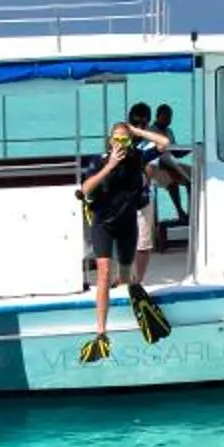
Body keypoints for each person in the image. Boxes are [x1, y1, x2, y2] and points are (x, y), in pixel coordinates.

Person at [76, 118, 174, 359]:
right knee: (104, 272)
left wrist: (137, 130)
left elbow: (164, 143)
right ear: (110, 141)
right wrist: (109, 166)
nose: (121, 144)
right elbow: (85, 189)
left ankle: (132, 300)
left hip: (127, 223)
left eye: (125, 140)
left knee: (127, 274)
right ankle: (101, 331)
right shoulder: (99, 161)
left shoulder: (137, 158)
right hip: (103, 224)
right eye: (117, 139)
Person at [147, 101, 191, 241]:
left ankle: (193, 213)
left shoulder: (169, 132)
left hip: (170, 163)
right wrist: (172, 170)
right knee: (172, 181)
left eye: (170, 117)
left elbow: (176, 153)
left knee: (193, 176)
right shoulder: (151, 132)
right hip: (155, 166)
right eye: (165, 117)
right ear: (158, 116)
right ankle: (180, 212)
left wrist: (192, 148)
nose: (168, 120)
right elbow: (152, 156)